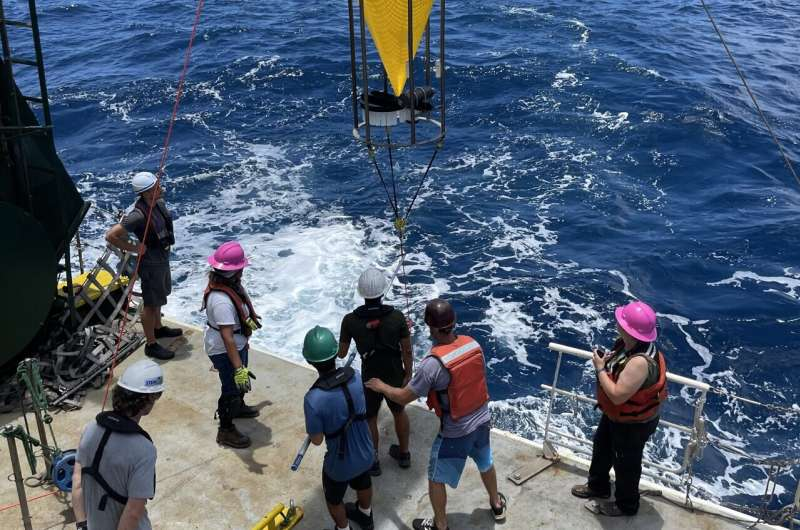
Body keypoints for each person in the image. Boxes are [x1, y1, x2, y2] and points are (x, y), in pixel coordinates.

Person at [365, 299, 507, 530]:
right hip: (482, 420)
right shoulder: (473, 345)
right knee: (485, 461)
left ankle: (441, 525)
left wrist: (382, 387)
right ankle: (497, 504)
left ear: (431, 328)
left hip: (455, 431)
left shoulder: (432, 365)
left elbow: (403, 397)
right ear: (453, 322)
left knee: (435, 477)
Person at [571, 300, 667, 517]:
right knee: (602, 447)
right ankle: (598, 486)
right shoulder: (628, 345)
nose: (617, 323)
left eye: (621, 322)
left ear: (629, 330)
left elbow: (616, 395)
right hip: (617, 417)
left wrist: (600, 369)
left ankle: (626, 505)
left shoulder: (640, 362)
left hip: (632, 424)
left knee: (626, 464)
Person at [72, 359, 164, 530]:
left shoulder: (91, 428)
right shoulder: (144, 450)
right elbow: (133, 512)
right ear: (148, 400)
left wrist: (82, 525)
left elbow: (77, 481)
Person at [338, 267, 413, 476]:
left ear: (361, 293)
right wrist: (408, 373)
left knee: (370, 417)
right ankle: (404, 454)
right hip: (394, 373)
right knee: (399, 411)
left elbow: (342, 353)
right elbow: (407, 350)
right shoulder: (397, 317)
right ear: (382, 292)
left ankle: (374, 461)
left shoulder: (350, 321)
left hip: (370, 377)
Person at [303, 326, 376, 530]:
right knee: (363, 481)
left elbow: (317, 440)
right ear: (336, 354)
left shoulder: (313, 399)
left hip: (340, 465)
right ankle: (365, 516)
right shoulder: (356, 377)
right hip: (366, 452)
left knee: (333, 498)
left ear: (309, 361)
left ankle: (343, 528)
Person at [106, 171, 181, 360]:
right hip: (150, 264)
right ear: (146, 193)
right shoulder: (137, 215)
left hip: (161, 258)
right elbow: (111, 235)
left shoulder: (157, 203)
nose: (160, 188)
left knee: (159, 296)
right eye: (156, 187)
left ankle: (158, 328)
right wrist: (135, 248)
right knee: (150, 303)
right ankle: (151, 344)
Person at [202, 241, 262, 449]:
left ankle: (239, 406)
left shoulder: (231, 286)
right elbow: (227, 337)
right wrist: (238, 369)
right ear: (237, 270)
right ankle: (225, 430)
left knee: (238, 387)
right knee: (231, 389)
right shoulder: (221, 301)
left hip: (237, 345)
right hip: (225, 350)